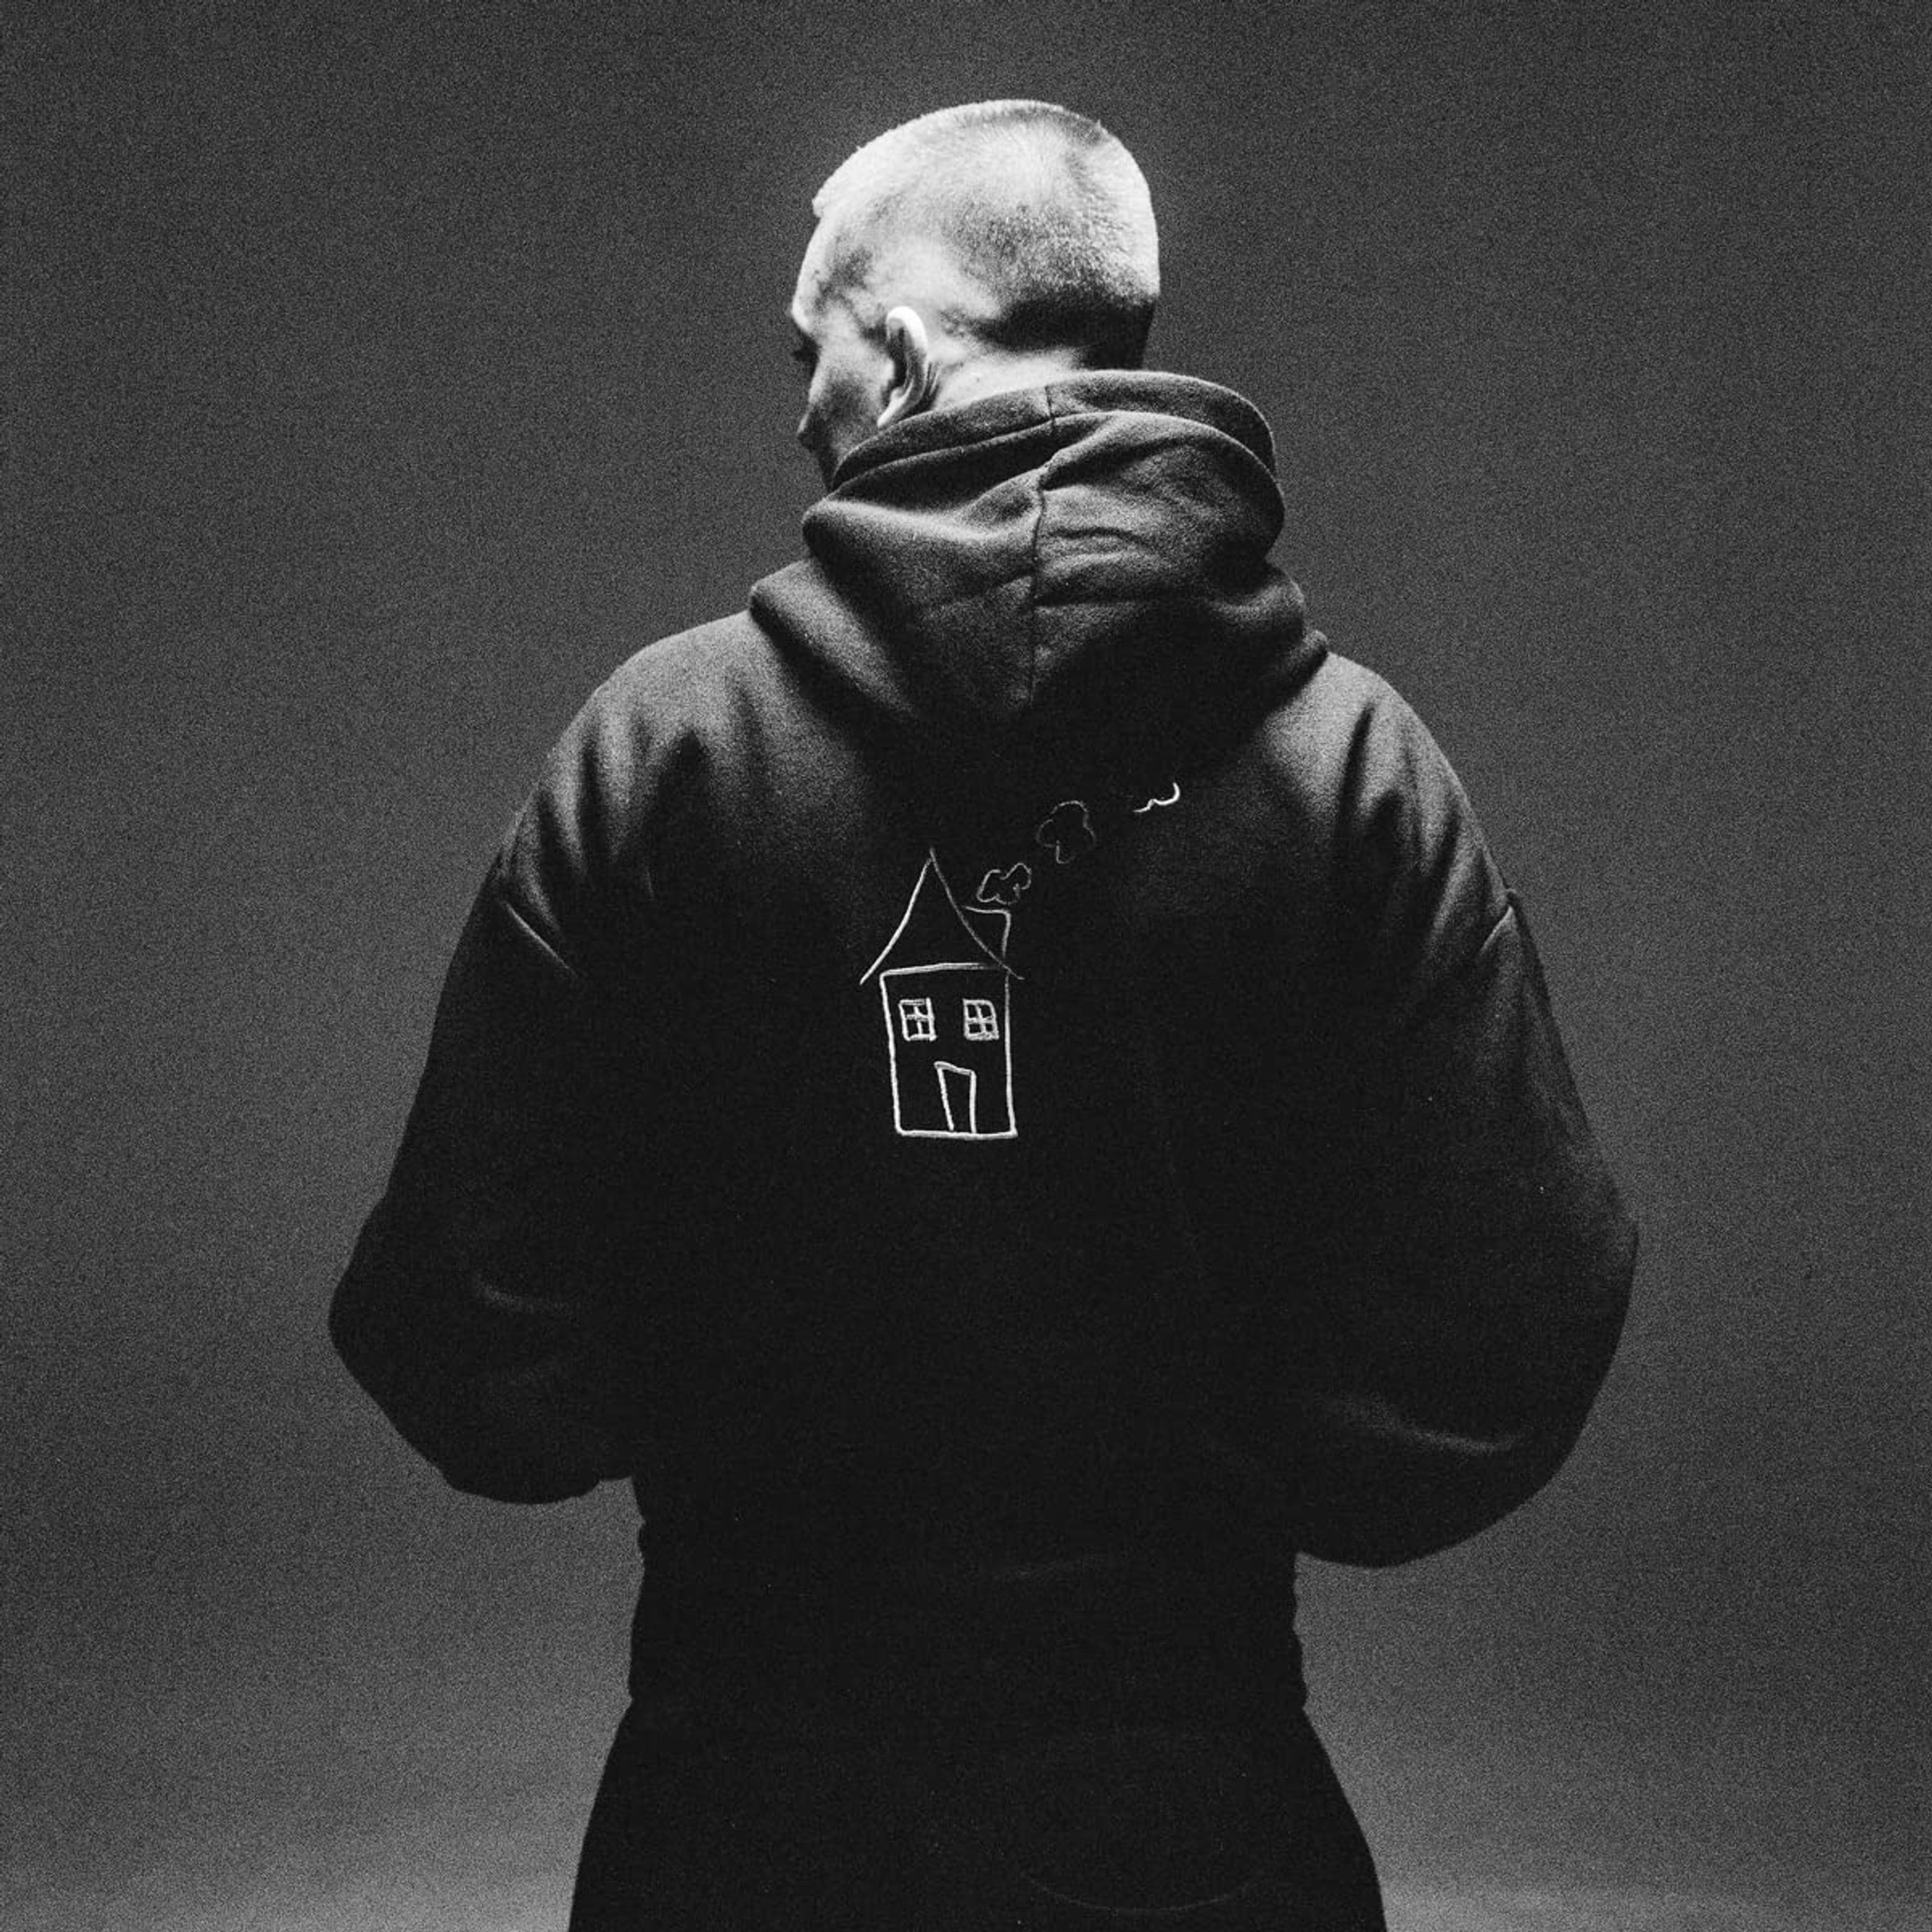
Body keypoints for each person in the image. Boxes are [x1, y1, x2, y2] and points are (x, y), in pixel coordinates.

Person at [331, 100, 1637, 1930]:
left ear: (900, 349)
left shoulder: (665, 748)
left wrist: (728, 1442)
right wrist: (1230, 1484)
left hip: (741, 1808)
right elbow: (1513, 1311)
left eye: (808, 349)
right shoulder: (1353, 765)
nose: (800, 409)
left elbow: (468, 1330)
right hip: (1196, 1814)